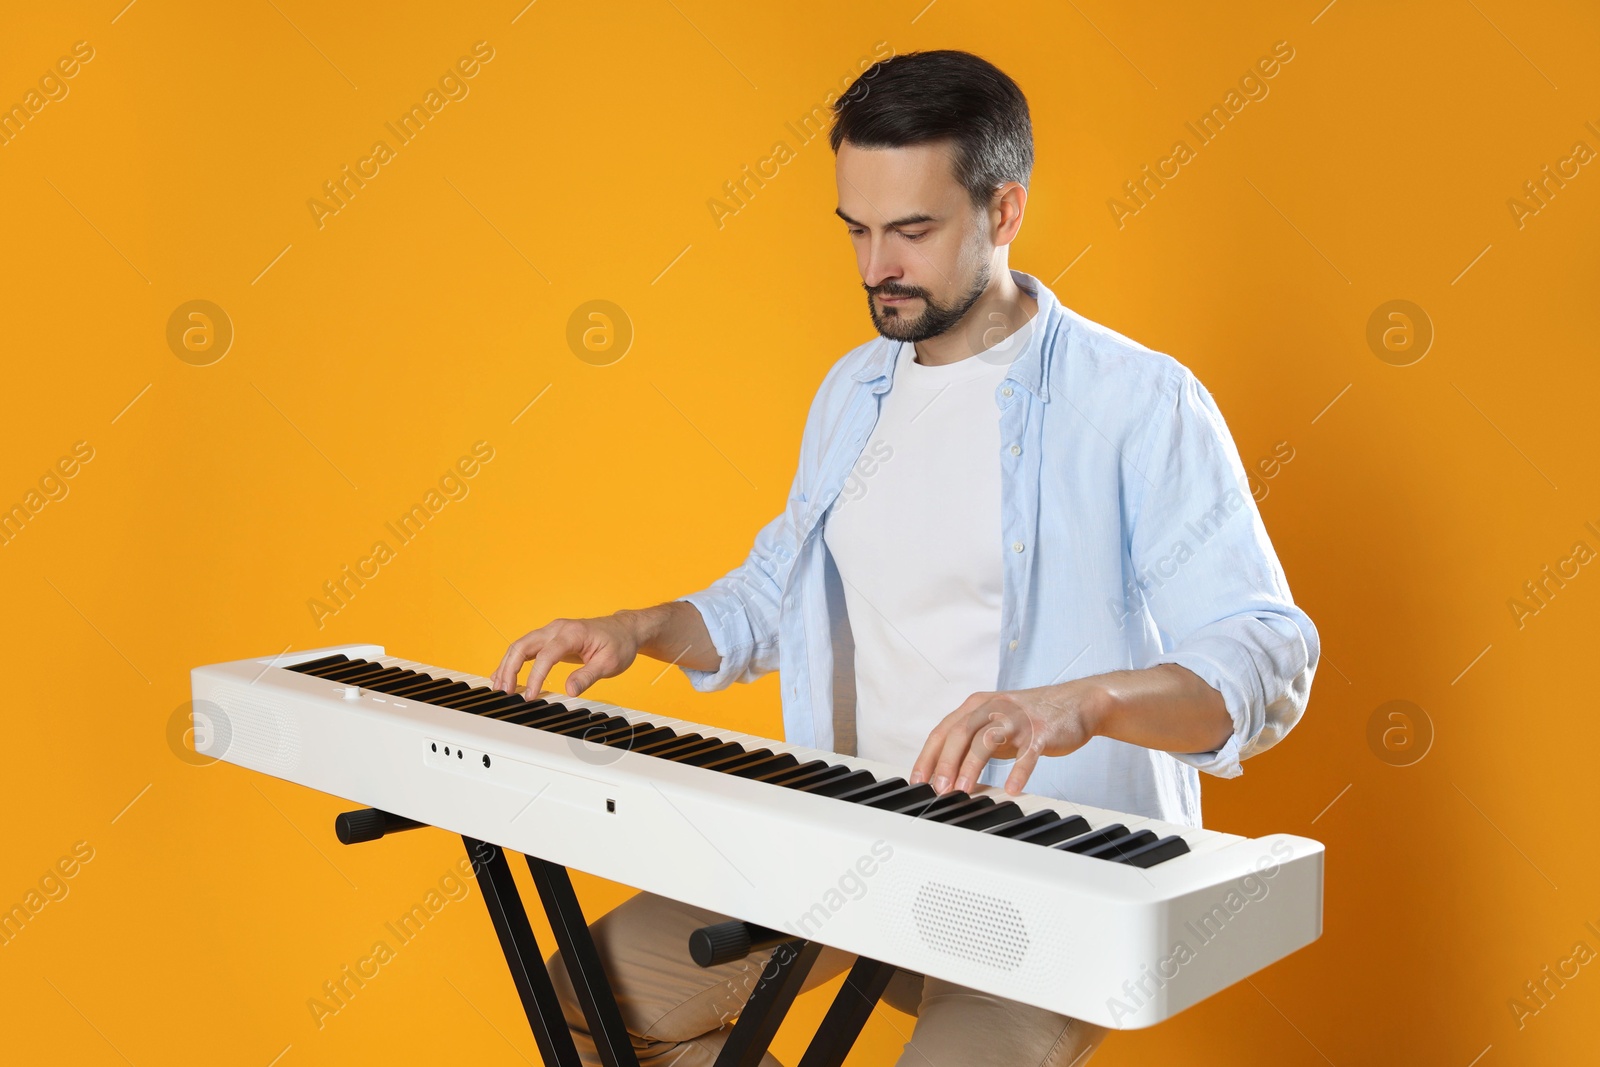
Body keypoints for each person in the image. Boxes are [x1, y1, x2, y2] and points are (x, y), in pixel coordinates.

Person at [489, 48, 1318, 1067]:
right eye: (859, 229)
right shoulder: (851, 392)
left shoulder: (1139, 403)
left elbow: (1265, 649)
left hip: (1040, 883)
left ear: (1003, 210)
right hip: (844, 840)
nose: (878, 264)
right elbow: (771, 590)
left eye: (912, 231)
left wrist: (1082, 701)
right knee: (584, 996)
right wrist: (638, 628)